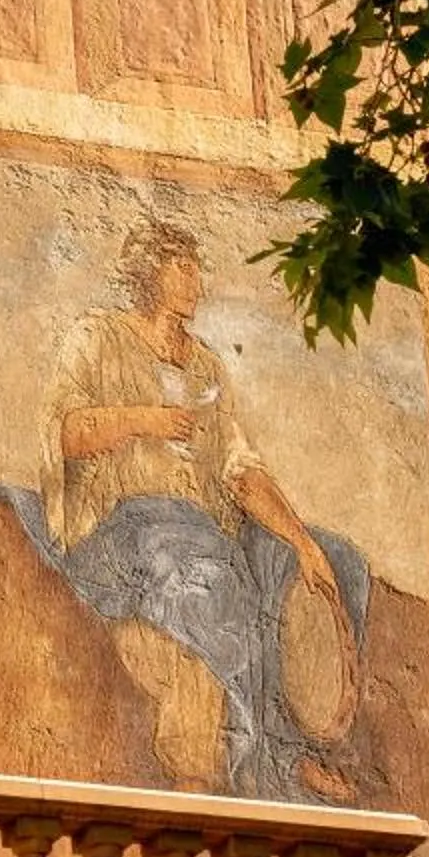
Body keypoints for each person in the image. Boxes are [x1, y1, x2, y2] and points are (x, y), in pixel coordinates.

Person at [24, 223, 367, 801]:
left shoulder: (206, 369)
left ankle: (301, 743)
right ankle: (249, 764)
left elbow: (239, 469)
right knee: (210, 577)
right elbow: (66, 434)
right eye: (180, 266)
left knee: (340, 559)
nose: (194, 279)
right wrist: (141, 419)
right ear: (148, 274)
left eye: (194, 267)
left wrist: (302, 542)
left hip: (203, 530)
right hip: (123, 529)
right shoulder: (99, 337)